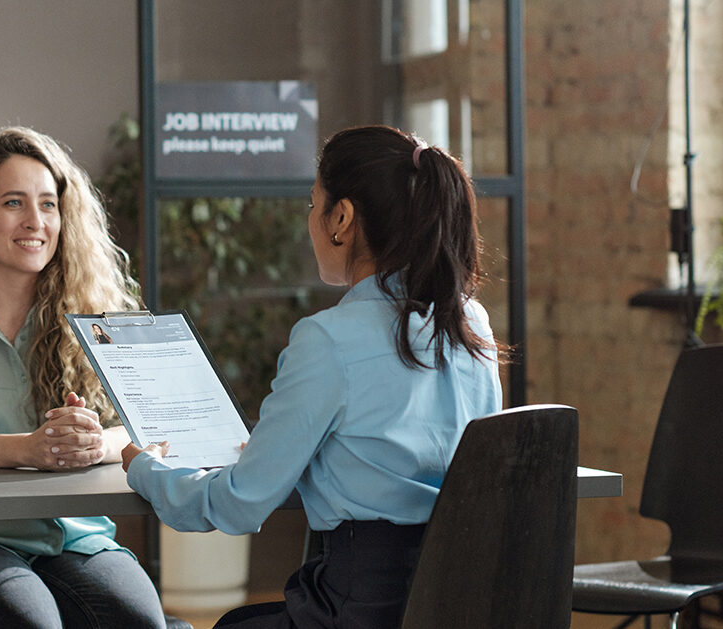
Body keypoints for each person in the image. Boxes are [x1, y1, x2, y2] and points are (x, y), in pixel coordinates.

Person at [122, 125, 503, 629]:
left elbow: (239, 505)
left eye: (312, 204)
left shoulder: (329, 338)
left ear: (341, 218)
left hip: (359, 609)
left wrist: (146, 469)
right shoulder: (471, 323)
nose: (310, 221)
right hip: (462, 602)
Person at [0, 126, 167, 628]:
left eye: (48, 204)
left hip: (74, 536)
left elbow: (146, 428)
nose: (36, 221)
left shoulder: (97, 319)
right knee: (32, 624)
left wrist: (92, 445)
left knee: (142, 623)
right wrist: (31, 449)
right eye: (14, 203)